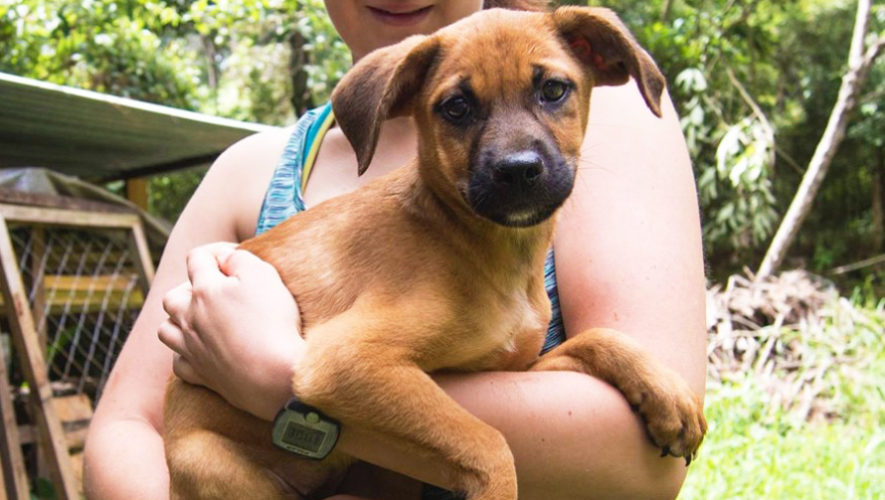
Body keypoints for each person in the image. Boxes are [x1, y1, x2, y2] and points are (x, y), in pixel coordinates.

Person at [83, 1, 707, 499]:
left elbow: (638, 462)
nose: (518, 152)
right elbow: (333, 369)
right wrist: (485, 463)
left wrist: (606, 353)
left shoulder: (621, 129)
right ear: (403, 104)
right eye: (460, 108)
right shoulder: (250, 174)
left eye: (550, 93)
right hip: (236, 463)